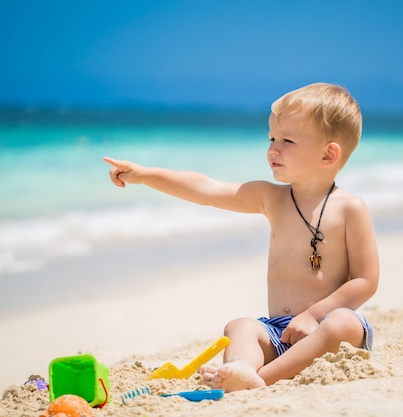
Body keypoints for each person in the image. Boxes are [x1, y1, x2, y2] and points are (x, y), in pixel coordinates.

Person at [103, 82, 379, 392]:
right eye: (271, 137)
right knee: (241, 326)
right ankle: (243, 369)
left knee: (344, 323)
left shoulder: (350, 209)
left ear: (329, 154)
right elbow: (206, 189)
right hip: (277, 333)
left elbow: (365, 280)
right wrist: (145, 175)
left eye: (287, 140)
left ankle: (263, 379)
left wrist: (314, 315)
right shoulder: (271, 198)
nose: (273, 148)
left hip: (323, 329)